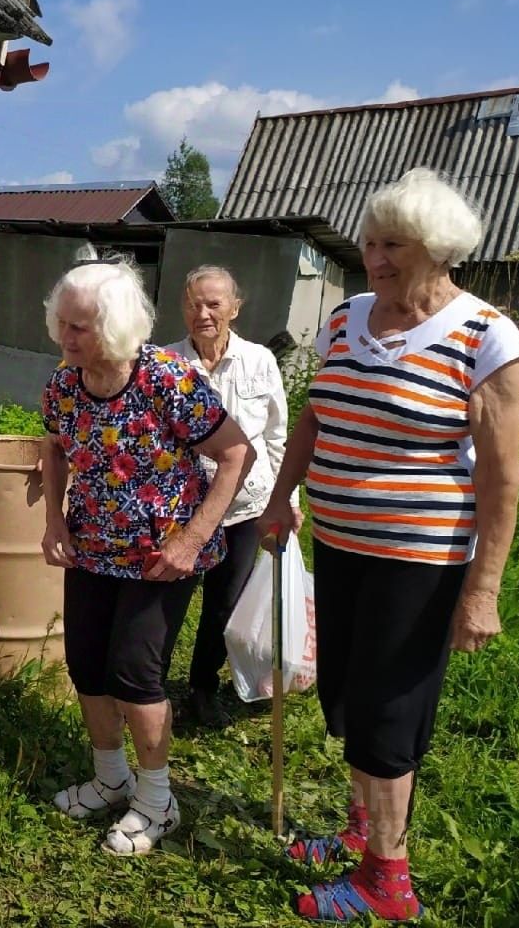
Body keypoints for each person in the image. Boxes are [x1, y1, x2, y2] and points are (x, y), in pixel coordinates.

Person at [258, 168, 519, 923]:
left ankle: (388, 879)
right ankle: (359, 829)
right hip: (340, 545)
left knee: (387, 714)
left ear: (438, 250)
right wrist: (282, 498)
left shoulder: (485, 335)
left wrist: (483, 590)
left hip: (419, 561)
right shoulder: (345, 319)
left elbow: (503, 478)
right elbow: (316, 416)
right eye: (370, 243)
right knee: (345, 695)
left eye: (394, 246)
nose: (376, 258)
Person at [40, 257, 255, 855]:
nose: (66, 337)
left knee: (135, 674)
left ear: (112, 326)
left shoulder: (166, 379)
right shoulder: (64, 383)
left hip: (163, 557)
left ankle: (158, 802)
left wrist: (190, 540)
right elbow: (54, 448)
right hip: (91, 549)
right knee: (86, 665)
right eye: (62, 323)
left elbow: (238, 454)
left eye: (79, 327)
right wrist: (54, 520)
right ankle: (112, 778)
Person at [166, 266, 302, 725]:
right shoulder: (165, 363)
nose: (202, 314)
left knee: (224, 604)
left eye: (213, 304)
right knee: (168, 601)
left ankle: (202, 686)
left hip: (247, 507)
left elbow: (278, 436)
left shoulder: (260, 360)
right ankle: (150, 689)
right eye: (193, 304)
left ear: (235, 308)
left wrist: (288, 501)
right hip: (184, 511)